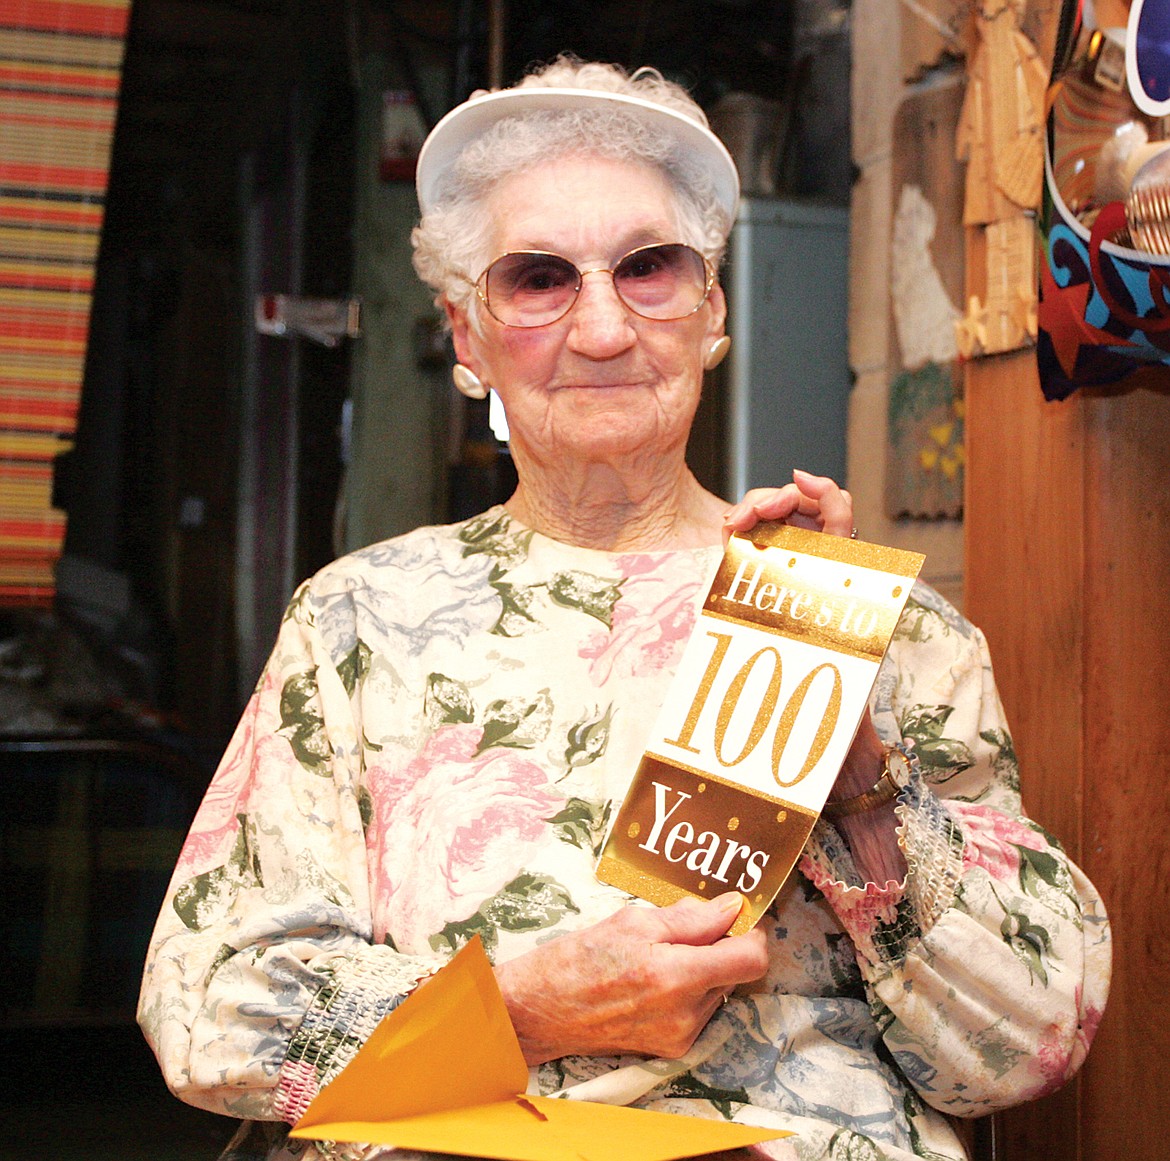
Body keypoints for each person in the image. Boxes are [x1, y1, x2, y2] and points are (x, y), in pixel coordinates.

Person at [139, 56, 1111, 1161]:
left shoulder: (876, 621)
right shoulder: (359, 621)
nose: (602, 329)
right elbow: (209, 1009)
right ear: (467, 339)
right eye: (538, 279)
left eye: (649, 269)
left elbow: (1028, 1042)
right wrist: (515, 1007)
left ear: (711, 314)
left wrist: (854, 774)